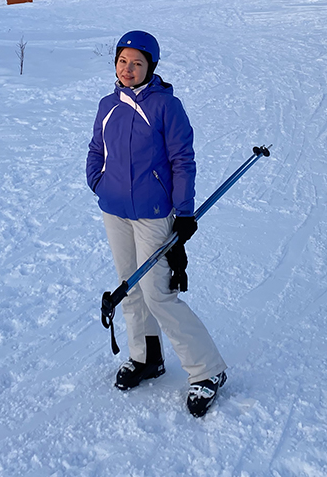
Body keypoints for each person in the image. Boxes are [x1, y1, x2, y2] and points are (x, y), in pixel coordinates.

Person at [86, 31, 227, 417]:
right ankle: (146, 357)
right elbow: (96, 149)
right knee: (130, 288)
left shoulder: (167, 107)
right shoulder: (106, 105)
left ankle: (207, 370)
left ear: (151, 67)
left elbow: (183, 159)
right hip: (114, 210)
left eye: (137, 63)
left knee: (158, 294)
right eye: (122, 61)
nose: (128, 70)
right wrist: (97, 181)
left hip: (153, 212)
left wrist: (184, 211)